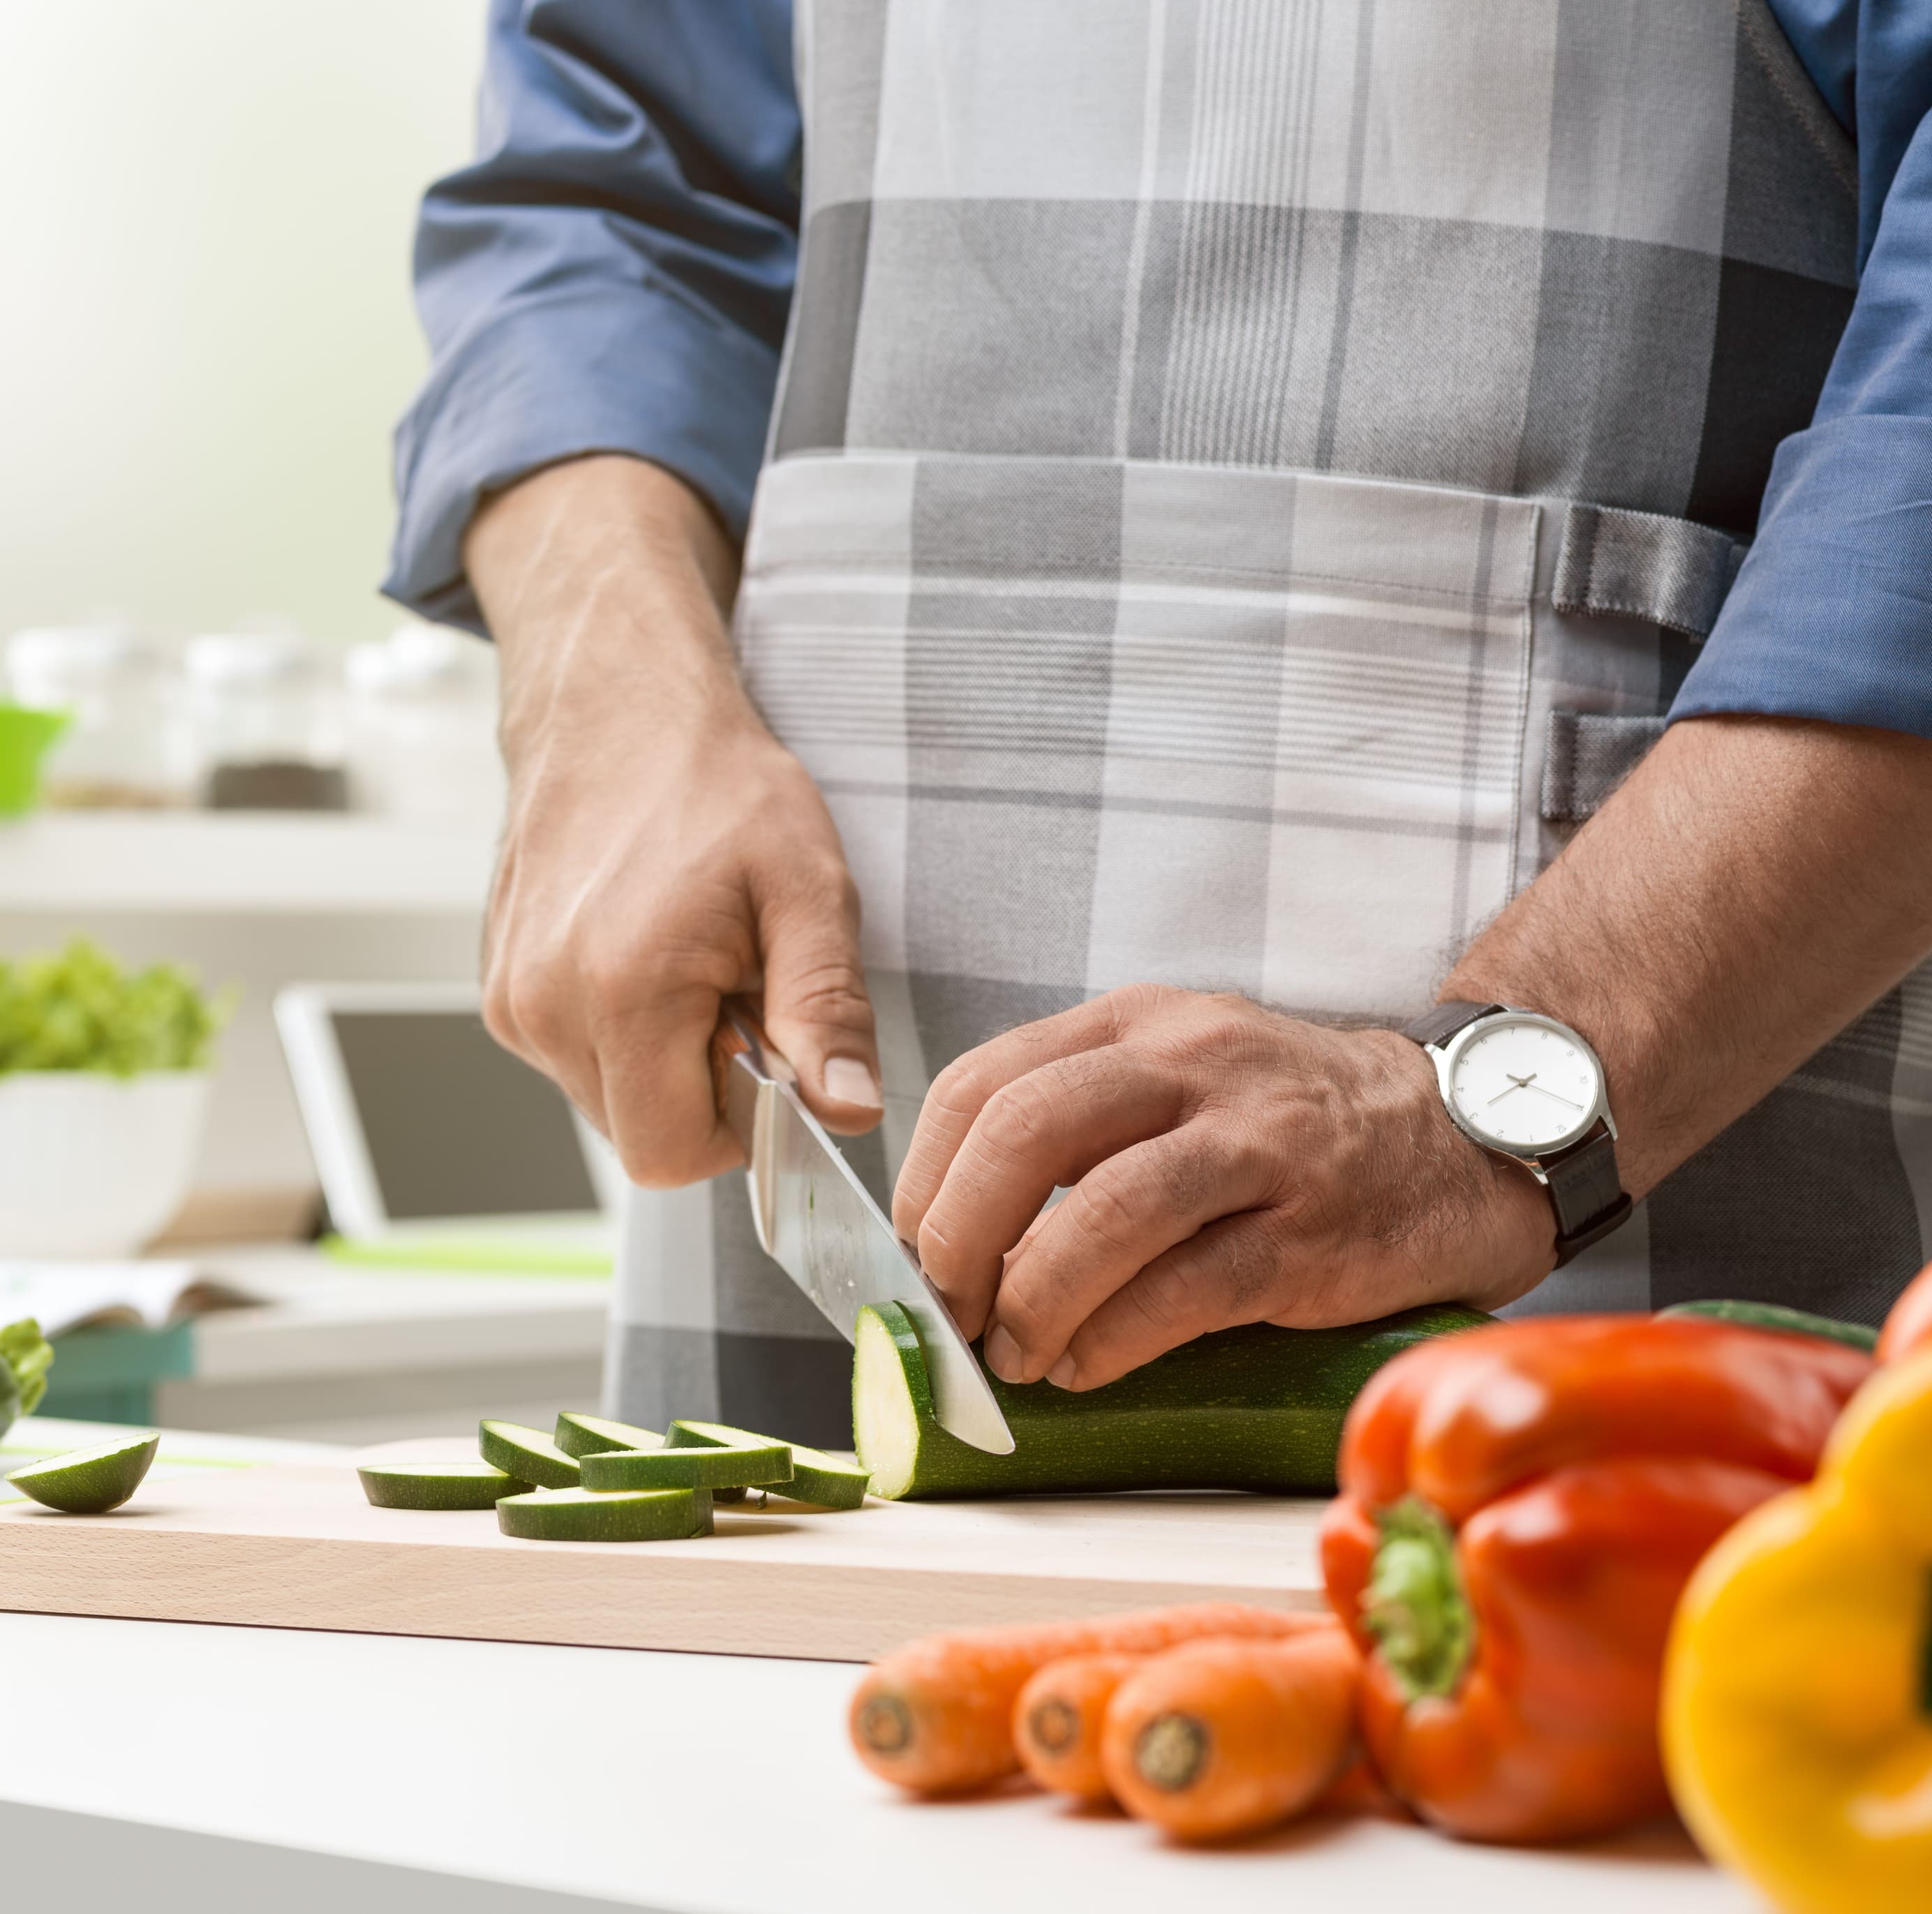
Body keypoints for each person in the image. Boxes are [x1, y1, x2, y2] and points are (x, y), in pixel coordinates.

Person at [385, 0, 1932, 1444]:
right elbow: (603, 206)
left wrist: (1504, 1101)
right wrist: (608, 693)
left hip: (1654, 1296)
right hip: (790, 1257)